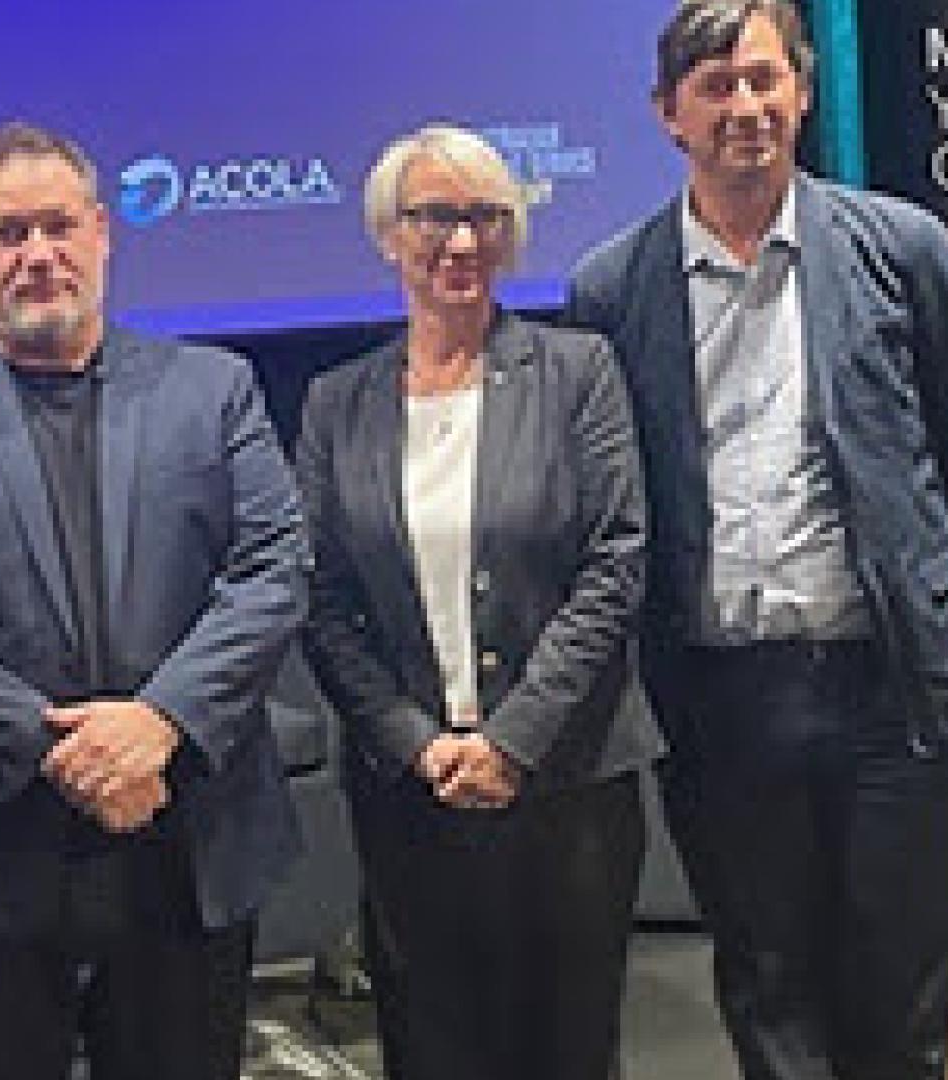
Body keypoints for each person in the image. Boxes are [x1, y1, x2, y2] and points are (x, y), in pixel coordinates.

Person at [564, 3, 948, 1078]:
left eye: (765, 80)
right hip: (721, 699)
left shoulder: (903, 248)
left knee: (901, 997)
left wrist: (913, 571)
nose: (746, 107)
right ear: (668, 113)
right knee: (769, 987)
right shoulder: (610, 290)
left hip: (893, 688)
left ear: (804, 94)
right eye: (715, 86)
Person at [0, 121, 308, 1080]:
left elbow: (275, 569)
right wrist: (71, 751)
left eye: (57, 226)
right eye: (7, 234)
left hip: (180, 842)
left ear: (101, 230)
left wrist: (161, 722)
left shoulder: (214, 390)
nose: (38, 254)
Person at [298, 124, 650, 1080]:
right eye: (434, 217)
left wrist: (513, 740)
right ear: (389, 234)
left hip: (568, 783)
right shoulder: (336, 404)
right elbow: (319, 598)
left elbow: (615, 563)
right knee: (433, 1047)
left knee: (569, 1049)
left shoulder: (580, 373)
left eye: (486, 217)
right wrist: (416, 741)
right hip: (410, 794)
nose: (461, 241)